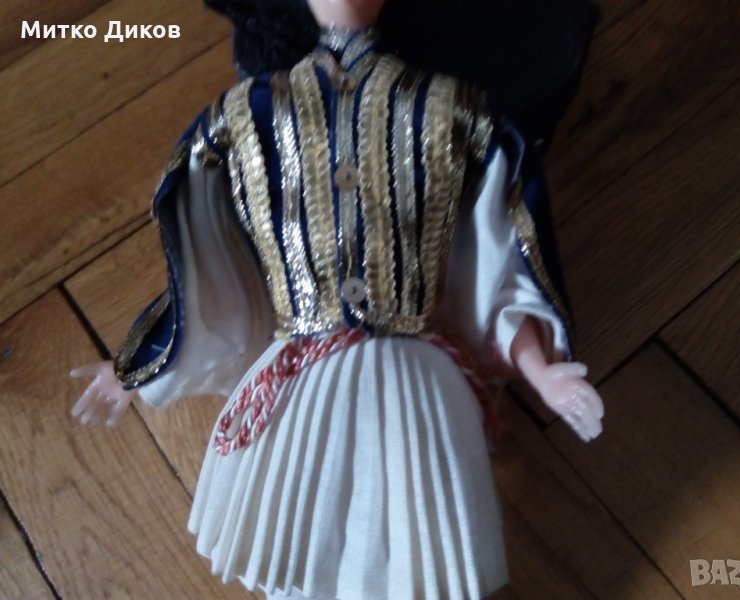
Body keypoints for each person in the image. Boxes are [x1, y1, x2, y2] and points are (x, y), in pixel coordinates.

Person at [71, 1, 604, 598]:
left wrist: (544, 371)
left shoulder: (448, 107)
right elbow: (208, 259)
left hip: (411, 371)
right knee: (302, 530)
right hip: (304, 368)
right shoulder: (245, 115)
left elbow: (493, 258)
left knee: (414, 532)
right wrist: (140, 366)